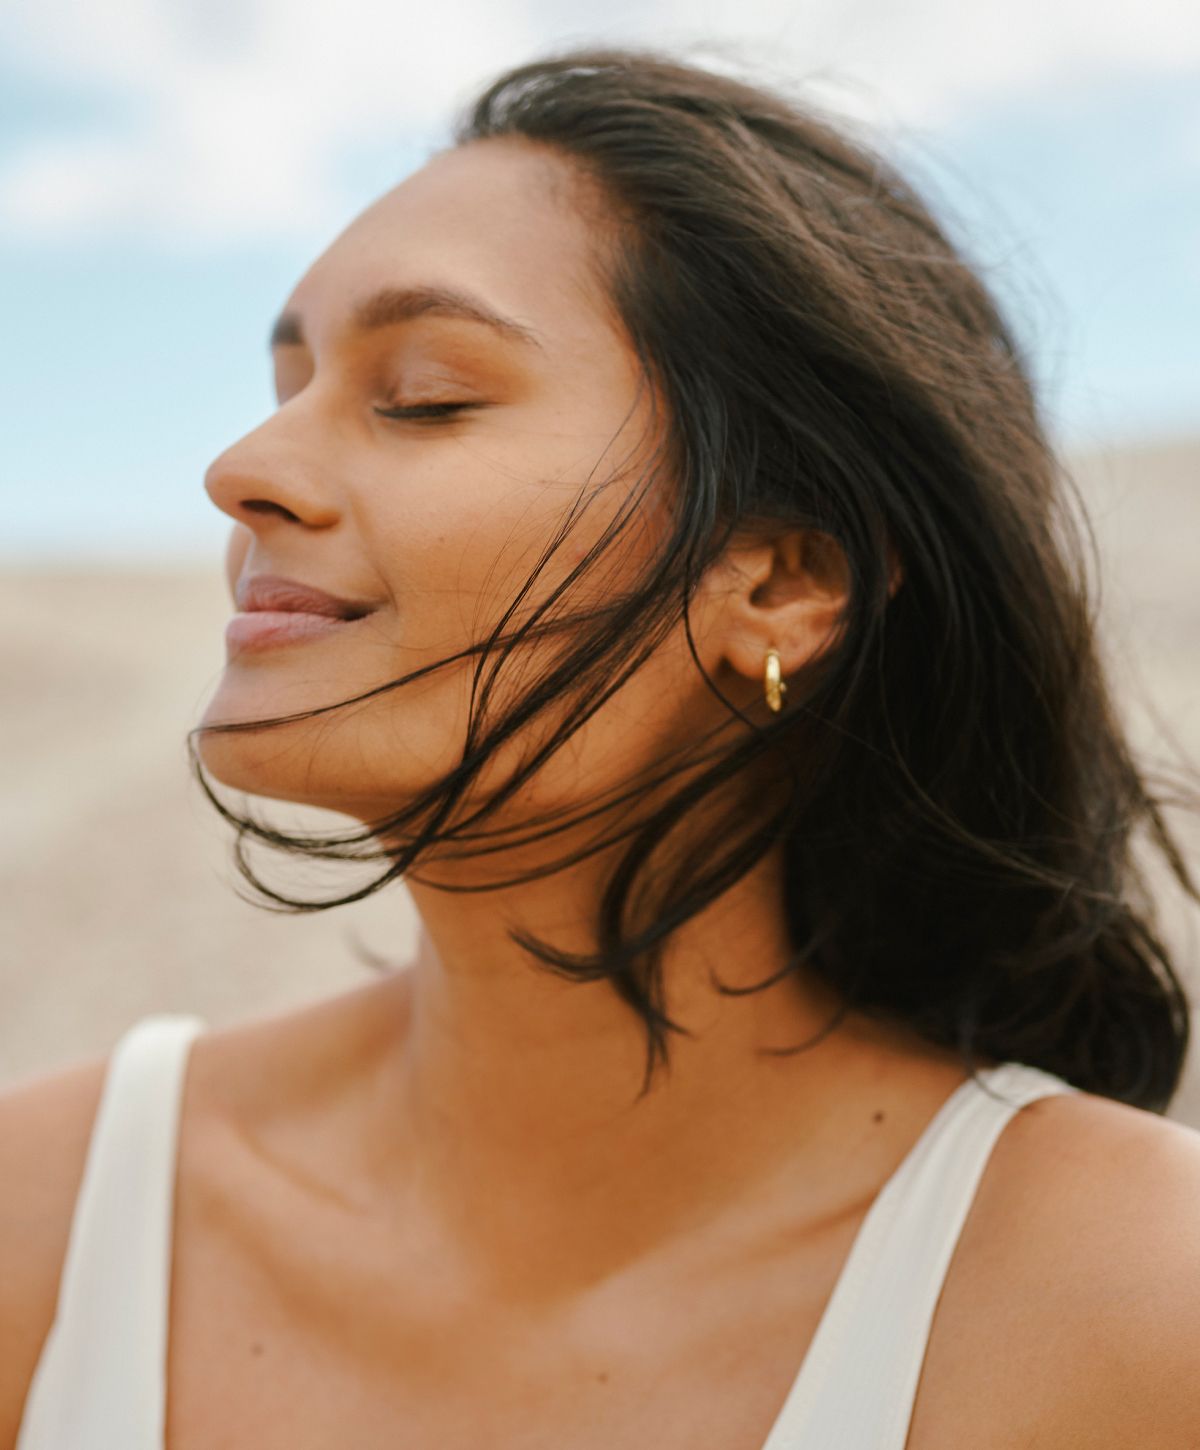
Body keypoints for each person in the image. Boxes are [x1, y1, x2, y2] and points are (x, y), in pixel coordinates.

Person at [5, 44, 1200, 1449]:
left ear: (776, 578)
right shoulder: (51, 1209)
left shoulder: (1127, 1298)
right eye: (289, 383)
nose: (242, 466)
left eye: (428, 394)